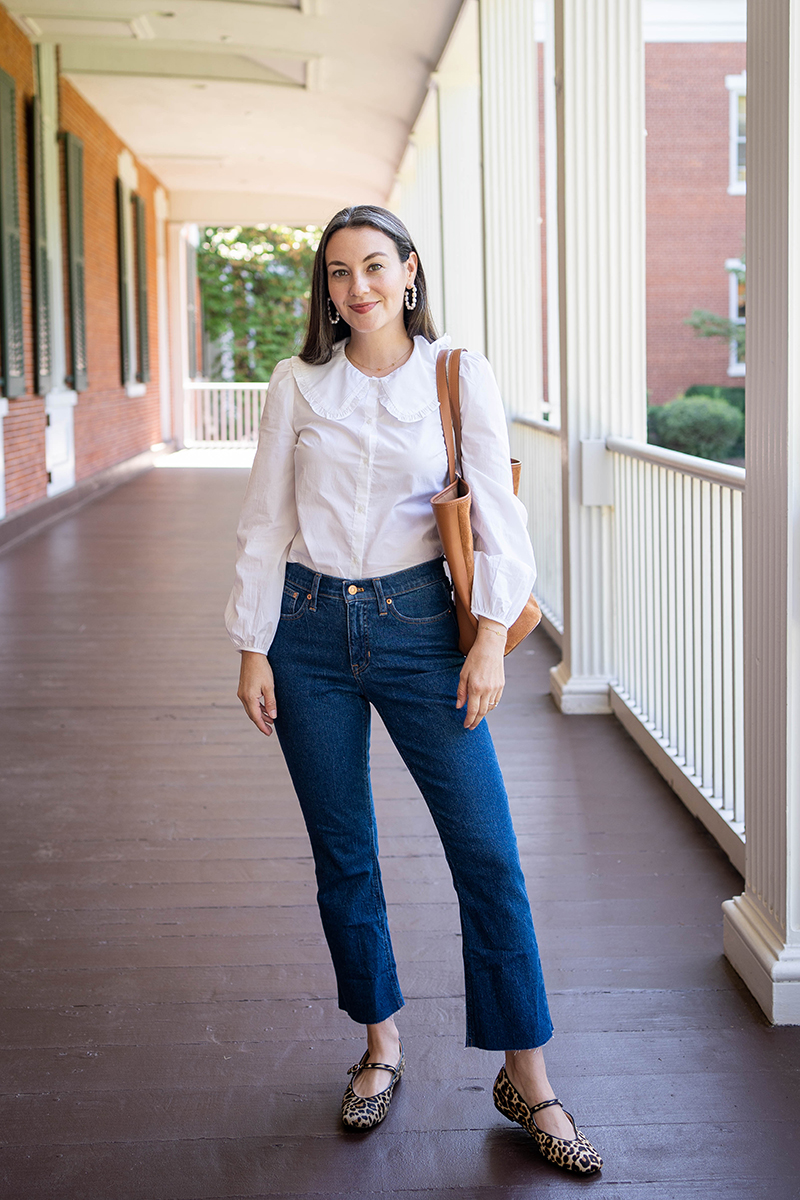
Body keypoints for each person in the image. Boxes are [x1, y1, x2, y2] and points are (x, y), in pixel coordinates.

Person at [225, 205, 603, 1176]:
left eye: (373, 267)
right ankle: (378, 1045)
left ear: (407, 272)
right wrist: (251, 645)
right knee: (342, 852)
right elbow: (264, 522)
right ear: (325, 288)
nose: (355, 287)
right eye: (337, 273)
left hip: (420, 631)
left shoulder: (454, 373)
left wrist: (486, 641)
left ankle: (529, 1077)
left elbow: (500, 518)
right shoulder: (294, 383)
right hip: (305, 633)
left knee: (486, 853)